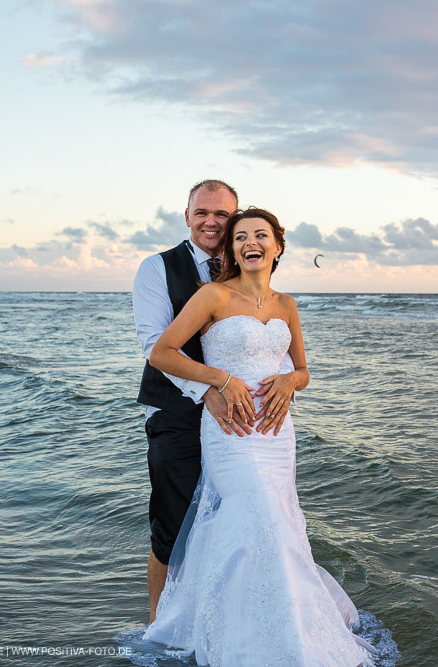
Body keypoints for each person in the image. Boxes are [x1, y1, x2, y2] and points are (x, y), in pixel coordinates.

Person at [142, 208, 375, 665]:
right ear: (231, 249)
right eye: (241, 236)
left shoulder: (287, 305)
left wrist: (291, 382)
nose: (251, 242)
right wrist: (220, 381)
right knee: (256, 518)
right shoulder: (212, 296)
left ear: (277, 246)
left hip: (276, 434)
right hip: (231, 432)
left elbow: (303, 370)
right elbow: (161, 353)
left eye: (261, 235)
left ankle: (286, 631)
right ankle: (246, 641)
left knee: (278, 523)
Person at [132, 180, 293, 623]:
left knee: (241, 520)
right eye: (202, 212)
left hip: (246, 427)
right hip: (176, 413)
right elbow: (155, 345)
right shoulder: (156, 269)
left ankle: (228, 620)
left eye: (222, 215)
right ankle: (160, 627)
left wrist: (286, 381)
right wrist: (211, 389)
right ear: (187, 216)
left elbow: (271, 344)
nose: (211, 222)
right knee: (174, 524)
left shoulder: (247, 269)